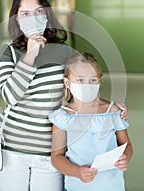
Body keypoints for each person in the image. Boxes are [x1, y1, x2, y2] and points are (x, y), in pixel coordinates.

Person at [0, 0, 128, 191]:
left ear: (47, 15)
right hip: (10, 149)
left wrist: (109, 106)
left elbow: (82, 85)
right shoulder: (9, 52)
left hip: (51, 151)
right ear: (17, 20)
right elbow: (10, 96)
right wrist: (30, 55)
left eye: (38, 11)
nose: (33, 18)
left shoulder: (64, 53)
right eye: (25, 14)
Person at [49, 52, 133, 191]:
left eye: (93, 80)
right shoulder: (63, 117)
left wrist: (125, 157)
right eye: (80, 80)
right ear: (67, 83)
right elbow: (57, 157)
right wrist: (77, 171)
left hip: (112, 185)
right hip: (77, 186)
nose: (87, 85)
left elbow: (126, 145)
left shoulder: (112, 112)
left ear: (99, 81)